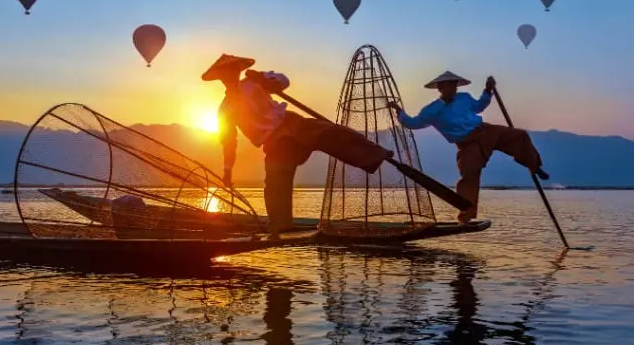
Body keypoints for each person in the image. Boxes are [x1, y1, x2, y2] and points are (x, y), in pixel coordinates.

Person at [202, 53, 395, 238]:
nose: (231, 75)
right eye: (225, 73)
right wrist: (227, 171)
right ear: (220, 77)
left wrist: (263, 77)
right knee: (275, 186)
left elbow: (283, 81)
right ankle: (282, 228)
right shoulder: (226, 108)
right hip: (276, 143)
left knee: (335, 133)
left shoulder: (253, 83)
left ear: (238, 69)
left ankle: (376, 154)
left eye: (233, 70)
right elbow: (228, 142)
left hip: (293, 125)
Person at [387, 71, 549, 225]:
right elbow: (413, 123)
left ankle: (534, 166)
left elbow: (479, 106)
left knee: (519, 136)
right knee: (469, 174)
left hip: (485, 131)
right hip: (467, 143)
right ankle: (466, 214)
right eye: (448, 86)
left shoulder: (464, 98)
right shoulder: (432, 110)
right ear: (440, 88)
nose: (452, 89)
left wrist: (487, 90)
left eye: (454, 85)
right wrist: (399, 112)